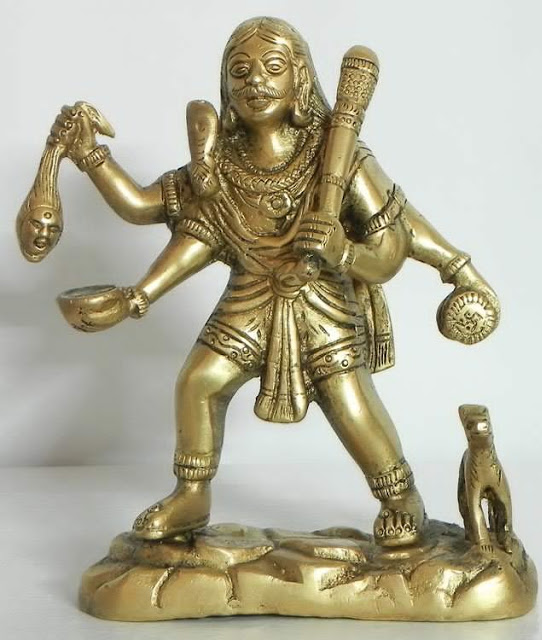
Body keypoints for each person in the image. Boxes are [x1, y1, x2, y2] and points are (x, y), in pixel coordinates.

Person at [49, 17, 497, 548]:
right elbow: (142, 206)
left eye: (273, 67)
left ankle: (399, 496)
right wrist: (88, 155)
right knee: (198, 382)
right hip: (249, 300)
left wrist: (344, 251)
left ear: (300, 79)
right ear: (225, 88)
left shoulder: (341, 156)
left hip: (323, 304)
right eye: (239, 71)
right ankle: (192, 494)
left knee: (349, 401)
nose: (255, 81)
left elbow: (391, 248)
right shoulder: (219, 164)